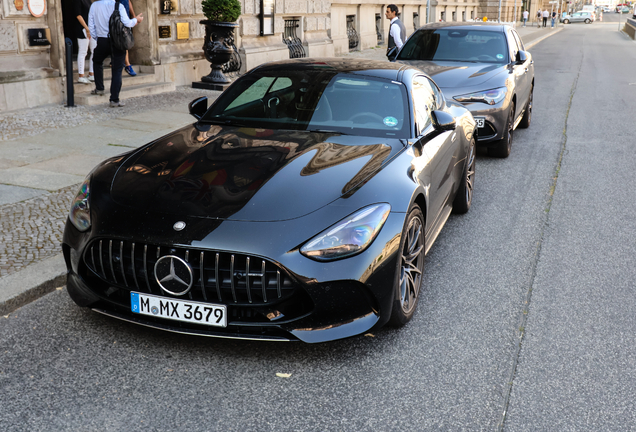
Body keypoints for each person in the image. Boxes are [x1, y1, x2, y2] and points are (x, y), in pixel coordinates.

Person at [88, 0, 143, 107]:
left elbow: (91, 25)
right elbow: (127, 23)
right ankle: (114, 100)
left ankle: (99, 88)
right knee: (117, 70)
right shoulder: (119, 6)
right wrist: (137, 20)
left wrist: (97, 37)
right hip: (117, 40)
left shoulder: (94, 5)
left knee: (97, 61)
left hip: (102, 39)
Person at [121, 0, 137, 76]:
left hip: (126, 20)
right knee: (124, 42)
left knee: (126, 42)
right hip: (116, 20)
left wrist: (133, 16)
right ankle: (127, 64)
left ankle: (126, 63)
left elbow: (128, 1)